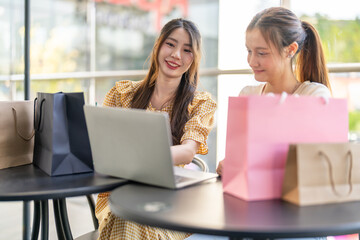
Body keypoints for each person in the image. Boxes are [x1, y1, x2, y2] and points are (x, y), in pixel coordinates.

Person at [95, 18, 217, 239]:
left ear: (194, 59)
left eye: (186, 50)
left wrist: (135, 158)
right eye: (170, 44)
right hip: (119, 195)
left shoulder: (200, 103)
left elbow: (188, 151)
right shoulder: (121, 93)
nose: (176, 55)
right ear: (158, 45)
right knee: (126, 216)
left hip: (171, 205)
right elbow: (101, 146)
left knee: (130, 220)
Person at [216, 7, 331, 175]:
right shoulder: (247, 95)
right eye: (249, 51)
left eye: (262, 53)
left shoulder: (314, 95)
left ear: (290, 50)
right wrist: (229, 164)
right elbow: (238, 157)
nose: (252, 61)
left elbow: (311, 161)